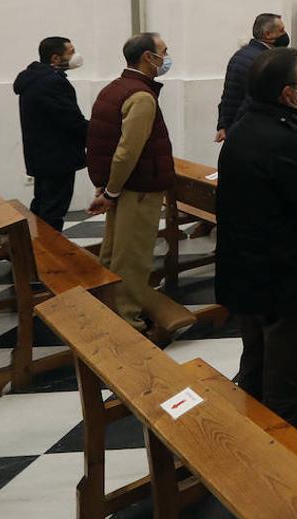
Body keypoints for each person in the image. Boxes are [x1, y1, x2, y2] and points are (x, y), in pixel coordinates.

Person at [217, 48, 297, 438]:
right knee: (291, 381)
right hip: (285, 279)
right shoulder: (287, 139)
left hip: (247, 271)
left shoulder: (242, 129)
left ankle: (254, 449)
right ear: (287, 94)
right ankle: (291, 476)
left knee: (255, 367)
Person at [85, 33, 176, 331]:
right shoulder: (141, 96)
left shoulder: (115, 88)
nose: (167, 56)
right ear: (148, 57)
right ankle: (127, 320)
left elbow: (101, 141)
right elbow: (127, 152)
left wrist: (104, 184)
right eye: (163, 51)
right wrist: (110, 190)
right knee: (133, 257)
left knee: (114, 253)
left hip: (122, 186)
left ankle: (109, 308)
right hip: (137, 188)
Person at [14, 36, 88, 232]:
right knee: (53, 211)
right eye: (70, 52)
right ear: (55, 59)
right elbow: (70, 120)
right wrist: (99, 133)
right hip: (57, 158)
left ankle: (34, 250)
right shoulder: (52, 83)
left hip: (42, 156)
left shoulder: (33, 79)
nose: (75, 55)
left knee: (42, 204)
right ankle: (47, 257)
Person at [215, 13, 288, 142]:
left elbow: (228, 96)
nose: (285, 34)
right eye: (281, 30)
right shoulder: (265, 61)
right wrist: (234, 129)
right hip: (250, 131)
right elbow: (253, 100)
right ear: (267, 35)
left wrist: (224, 125)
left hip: (236, 128)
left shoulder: (239, 54)